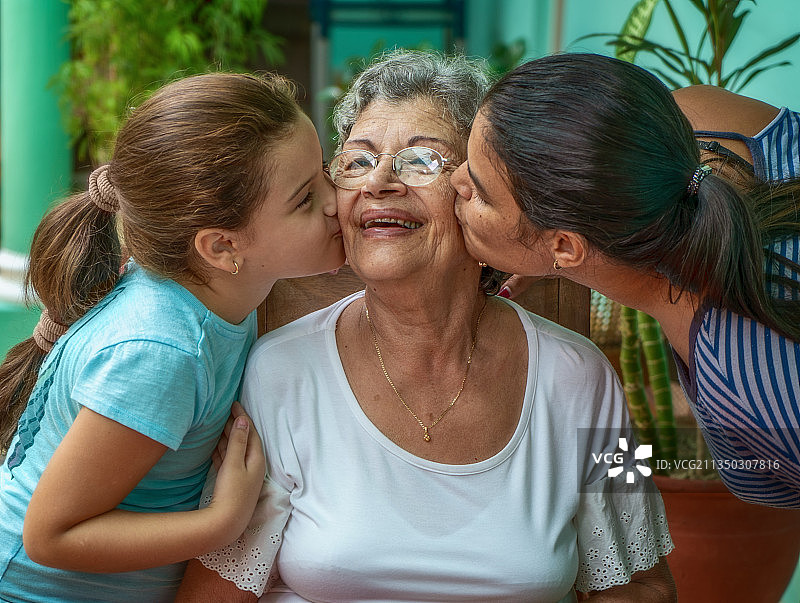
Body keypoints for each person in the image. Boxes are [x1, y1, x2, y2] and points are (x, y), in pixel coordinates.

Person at [177, 50, 675, 602]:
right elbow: (217, 587)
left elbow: (642, 582)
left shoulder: (587, 378)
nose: (380, 182)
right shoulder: (276, 370)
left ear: (480, 195)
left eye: (422, 160)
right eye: (358, 161)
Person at [0, 72, 345, 602]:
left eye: (325, 170)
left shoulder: (219, 287)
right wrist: (223, 522)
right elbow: (50, 536)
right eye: (304, 199)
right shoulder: (162, 351)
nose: (336, 200)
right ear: (221, 247)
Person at [450, 52, 800, 509]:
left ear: (566, 246)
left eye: (478, 191)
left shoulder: (747, 379)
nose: (454, 180)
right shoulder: (700, 120)